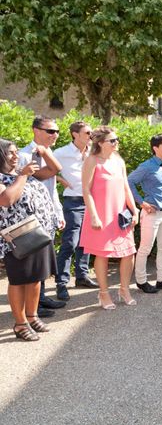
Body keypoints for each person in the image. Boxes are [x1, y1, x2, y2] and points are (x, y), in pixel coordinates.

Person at [0, 140, 58, 341]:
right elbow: (7, 199)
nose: (16, 156)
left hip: (37, 233)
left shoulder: (19, 172)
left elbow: (54, 170)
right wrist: (24, 175)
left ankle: (32, 316)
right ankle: (19, 323)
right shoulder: (8, 177)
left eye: (16, 152)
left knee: (36, 277)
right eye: (10, 153)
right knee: (18, 280)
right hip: (15, 238)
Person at [79, 127, 138, 309]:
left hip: (120, 215)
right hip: (101, 215)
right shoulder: (92, 161)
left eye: (116, 139)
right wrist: (94, 216)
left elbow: (126, 187)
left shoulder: (119, 161)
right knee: (102, 254)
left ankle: (124, 289)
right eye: (112, 140)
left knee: (129, 252)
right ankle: (104, 294)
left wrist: (134, 209)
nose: (116, 143)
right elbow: (86, 190)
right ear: (100, 143)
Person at [18, 116, 65, 317]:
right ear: (36, 130)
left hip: (48, 215)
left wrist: (58, 212)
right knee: (32, 261)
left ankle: (41, 297)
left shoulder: (49, 153)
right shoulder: (21, 156)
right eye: (50, 131)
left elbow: (52, 189)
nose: (55, 135)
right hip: (30, 217)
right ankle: (32, 306)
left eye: (57, 132)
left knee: (45, 258)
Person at [128, 134, 162, 294]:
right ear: (155, 148)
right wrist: (141, 203)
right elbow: (129, 181)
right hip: (151, 213)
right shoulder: (146, 166)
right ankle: (141, 281)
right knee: (145, 248)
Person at [53, 121, 98, 301]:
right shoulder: (61, 153)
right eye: (87, 133)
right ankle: (61, 283)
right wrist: (60, 179)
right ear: (75, 134)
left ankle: (82, 276)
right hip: (73, 201)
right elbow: (41, 167)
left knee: (86, 241)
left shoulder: (91, 153)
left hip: (91, 201)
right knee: (70, 242)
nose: (91, 136)